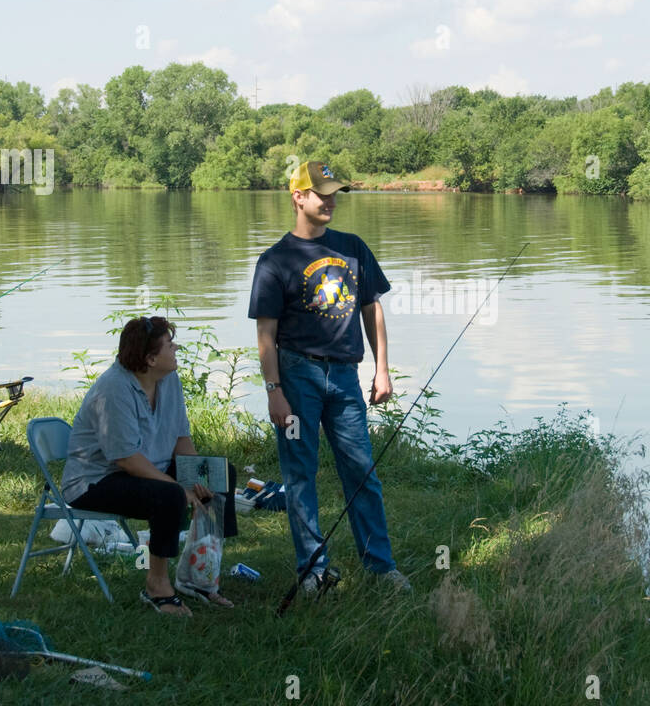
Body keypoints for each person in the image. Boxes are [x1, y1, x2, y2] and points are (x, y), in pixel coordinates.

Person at [249, 160, 411, 594]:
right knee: (300, 474)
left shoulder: (353, 248)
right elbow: (265, 333)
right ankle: (313, 571)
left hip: (344, 379)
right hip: (296, 377)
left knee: (361, 472)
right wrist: (274, 392)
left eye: (335, 192)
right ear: (298, 197)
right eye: (322, 193)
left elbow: (371, 308)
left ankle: (381, 567)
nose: (331, 200)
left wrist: (382, 369)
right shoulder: (274, 261)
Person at [60, 316, 234, 616]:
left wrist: (194, 476)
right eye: (169, 344)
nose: (176, 347)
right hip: (96, 481)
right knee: (167, 496)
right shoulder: (113, 389)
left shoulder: (169, 380)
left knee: (220, 475)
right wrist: (178, 487)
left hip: (145, 469)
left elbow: (181, 437)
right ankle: (157, 587)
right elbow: (126, 458)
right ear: (150, 358)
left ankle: (199, 576)